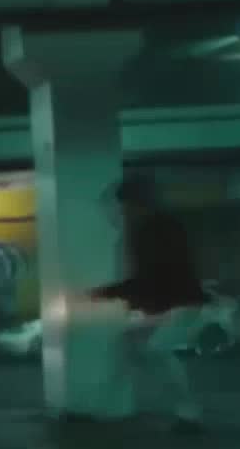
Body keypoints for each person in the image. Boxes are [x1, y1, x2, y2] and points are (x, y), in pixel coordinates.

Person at [90, 172, 209, 434]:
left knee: (156, 348)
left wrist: (104, 294)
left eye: (125, 207)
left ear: (138, 204)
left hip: (181, 303)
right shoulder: (144, 230)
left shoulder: (156, 231)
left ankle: (189, 414)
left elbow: (151, 277)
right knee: (127, 345)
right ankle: (104, 408)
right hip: (168, 304)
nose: (122, 213)